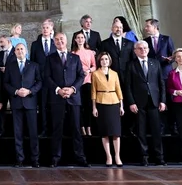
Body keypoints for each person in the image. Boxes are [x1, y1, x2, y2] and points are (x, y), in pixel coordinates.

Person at [45, 33, 89, 167]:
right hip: (57, 98)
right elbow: (47, 77)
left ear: (66, 41)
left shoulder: (75, 58)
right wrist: (58, 89)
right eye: (57, 40)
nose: (59, 41)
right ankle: (55, 157)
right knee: (57, 129)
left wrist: (72, 89)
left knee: (76, 128)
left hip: (73, 98)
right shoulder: (50, 58)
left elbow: (81, 76)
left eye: (62, 39)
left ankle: (80, 157)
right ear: (54, 42)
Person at [125, 41, 166, 166]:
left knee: (156, 131)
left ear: (148, 49)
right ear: (135, 50)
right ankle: (144, 157)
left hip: (154, 101)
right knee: (141, 131)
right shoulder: (131, 65)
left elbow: (161, 83)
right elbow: (128, 86)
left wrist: (163, 101)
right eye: (140, 48)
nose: (143, 50)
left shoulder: (155, 63)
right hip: (139, 103)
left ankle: (159, 157)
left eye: (145, 48)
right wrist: (131, 102)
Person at [4, 43, 42, 167]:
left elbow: (39, 82)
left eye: (22, 49)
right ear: (14, 52)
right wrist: (15, 91)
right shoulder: (10, 66)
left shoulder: (34, 65)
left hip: (30, 102)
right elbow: (6, 83)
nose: (20, 51)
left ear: (26, 51)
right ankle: (20, 158)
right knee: (18, 133)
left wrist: (30, 91)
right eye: (17, 49)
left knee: (33, 132)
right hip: (16, 103)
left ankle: (35, 159)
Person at [91, 52, 124, 167]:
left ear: (109, 61)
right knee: (105, 132)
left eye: (106, 59)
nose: (104, 61)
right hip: (101, 102)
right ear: (99, 61)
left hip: (114, 102)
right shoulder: (95, 74)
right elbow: (93, 91)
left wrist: (122, 105)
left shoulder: (114, 73)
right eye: (102, 59)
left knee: (116, 132)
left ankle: (117, 156)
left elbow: (118, 89)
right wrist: (94, 107)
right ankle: (108, 156)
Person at [72, 33, 96, 136]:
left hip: (88, 80)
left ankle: (89, 128)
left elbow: (95, 65)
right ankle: (81, 128)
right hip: (77, 82)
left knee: (88, 106)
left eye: (82, 37)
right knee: (79, 106)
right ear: (75, 40)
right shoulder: (73, 53)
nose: (80, 39)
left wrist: (89, 70)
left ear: (85, 39)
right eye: (78, 38)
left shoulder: (90, 52)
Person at [0, 36, 16, 136]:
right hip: (1, 87)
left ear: (8, 41)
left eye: (2, 42)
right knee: (1, 110)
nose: (0, 44)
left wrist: (6, 70)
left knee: (15, 109)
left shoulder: (16, 52)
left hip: (13, 86)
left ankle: (15, 131)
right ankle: (1, 130)